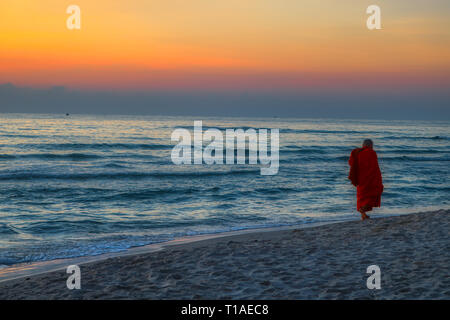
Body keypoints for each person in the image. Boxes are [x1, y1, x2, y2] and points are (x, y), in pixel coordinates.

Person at [348, 139, 384, 221]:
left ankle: (363, 215)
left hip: (361, 178)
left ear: (363, 145)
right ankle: (363, 210)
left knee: (362, 196)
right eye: (372, 146)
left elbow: (351, 163)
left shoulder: (357, 152)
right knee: (374, 193)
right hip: (371, 178)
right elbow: (375, 166)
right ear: (370, 145)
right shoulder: (372, 153)